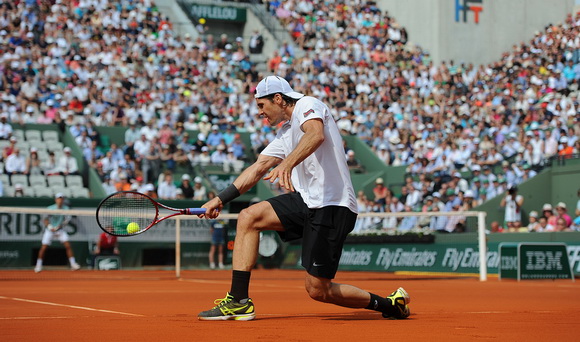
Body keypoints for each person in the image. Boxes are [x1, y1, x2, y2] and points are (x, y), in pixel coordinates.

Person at [196, 76, 409, 321]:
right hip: (307, 201)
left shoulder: (309, 104)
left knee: (318, 290)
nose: (260, 113)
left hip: (332, 204)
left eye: (262, 105)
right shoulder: (286, 133)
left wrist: (287, 164)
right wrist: (220, 199)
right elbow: (258, 167)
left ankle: (390, 305)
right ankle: (239, 301)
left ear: (278, 98)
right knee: (249, 217)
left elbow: (316, 134)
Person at [34, 193, 81, 273]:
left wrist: (59, 226)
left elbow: (66, 220)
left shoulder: (66, 209)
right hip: (50, 230)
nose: (60, 200)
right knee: (44, 247)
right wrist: (50, 227)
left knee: (68, 245)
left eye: (62, 198)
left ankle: (73, 264)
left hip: (60, 230)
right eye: (59, 198)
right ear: (56, 200)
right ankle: (38, 266)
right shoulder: (50, 208)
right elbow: (45, 219)